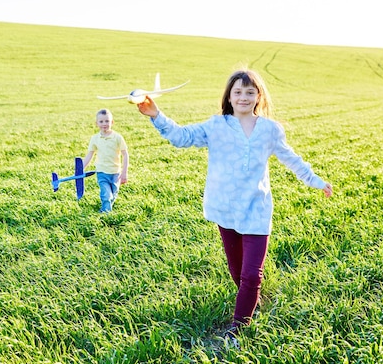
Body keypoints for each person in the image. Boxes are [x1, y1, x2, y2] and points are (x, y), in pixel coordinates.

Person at [136, 69, 332, 345]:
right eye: (238, 92)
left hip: (256, 209)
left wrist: (316, 180)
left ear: (258, 96)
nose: (243, 97)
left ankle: (238, 328)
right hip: (225, 209)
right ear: (229, 96)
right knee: (238, 272)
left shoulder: (270, 130)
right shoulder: (216, 126)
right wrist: (156, 115)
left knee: (252, 274)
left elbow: (291, 158)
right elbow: (181, 137)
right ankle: (251, 297)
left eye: (250, 92)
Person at [82, 109, 129, 213]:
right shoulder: (95, 138)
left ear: (112, 122)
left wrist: (124, 172)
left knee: (113, 195)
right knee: (106, 195)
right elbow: (90, 154)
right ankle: (105, 213)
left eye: (107, 121)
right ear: (97, 123)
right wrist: (81, 169)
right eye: (101, 121)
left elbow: (125, 154)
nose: (104, 124)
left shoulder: (117, 137)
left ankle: (108, 208)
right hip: (102, 172)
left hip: (116, 173)